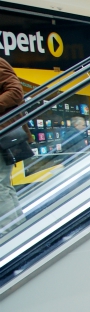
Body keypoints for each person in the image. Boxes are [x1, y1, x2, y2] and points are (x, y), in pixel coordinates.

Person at [0, 57, 24, 229]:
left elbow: (16, 91)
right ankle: (18, 229)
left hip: (3, 133)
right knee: (4, 184)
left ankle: (8, 234)